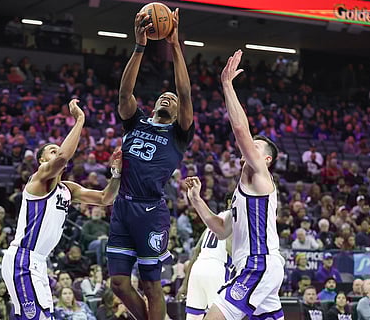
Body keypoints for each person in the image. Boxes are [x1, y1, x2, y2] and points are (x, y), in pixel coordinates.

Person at [106, 8, 194, 320]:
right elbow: (125, 92)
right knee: (118, 283)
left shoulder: (178, 134)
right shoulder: (135, 122)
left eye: (173, 98)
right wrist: (140, 45)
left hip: (150, 211)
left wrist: (175, 45)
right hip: (122, 207)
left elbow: (184, 90)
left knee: (150, 284)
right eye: (163, 95)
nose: (167, 97)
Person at [2, 99, 123, 320]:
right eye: (52, 150)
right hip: (22, 258)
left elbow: (106, 198)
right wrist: (80, 120)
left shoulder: (68, 189)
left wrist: (116, 174)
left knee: (44, 317)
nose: (57, 152)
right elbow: (63, 157)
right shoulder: (37, 181)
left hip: (39, 261)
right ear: (41, 160)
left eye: (57, 149)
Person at [185, 49, 284, 319]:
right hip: (255, 266)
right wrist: (196, 200)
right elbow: (220, 229)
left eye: (256, 145)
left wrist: (227, 85)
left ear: (265, 159)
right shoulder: (243, 196)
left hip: (257, 264)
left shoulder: (261, 176)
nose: (249, 145)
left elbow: (240, 131)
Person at [176, 221, 233, 319]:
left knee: (193, 316)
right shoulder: (236, 219)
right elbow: (229, 248)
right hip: (216, 268)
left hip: (198, 266)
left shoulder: (213, 220)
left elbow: (195, 252)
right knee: (221, 314)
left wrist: (185, 285)